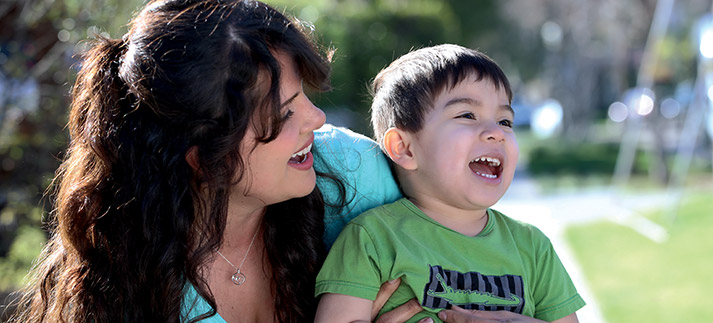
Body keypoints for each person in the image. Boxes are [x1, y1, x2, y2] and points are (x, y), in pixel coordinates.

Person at [10, 0, 413, 322]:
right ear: (203, 156)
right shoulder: (120, 277)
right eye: (283, 114)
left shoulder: (350, 172)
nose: (317, 118)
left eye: (304, 96)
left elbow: (471, 251)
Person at [314, 44, 586, 322]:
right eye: (467, 115)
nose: (496, 133)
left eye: (505, 121)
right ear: (404, 148)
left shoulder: (533, 248)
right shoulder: (372, 238)